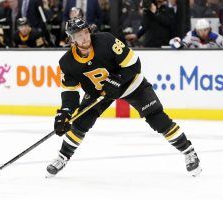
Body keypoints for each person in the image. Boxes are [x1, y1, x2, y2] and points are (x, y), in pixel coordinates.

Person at [45, 18, 202, 178]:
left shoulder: (106, 40)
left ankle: (189, 152)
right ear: (71, 38)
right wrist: (65, 112)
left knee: (157, 118)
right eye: (79, 35)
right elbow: (70, 93)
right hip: (100, 93)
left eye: (86, 32)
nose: (85, 37)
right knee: (79, 123)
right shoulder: (67, 62)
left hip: (130, 84)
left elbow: (134, 64)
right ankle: (62, 157)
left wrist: (118, 79)